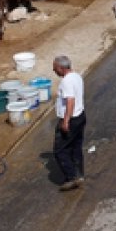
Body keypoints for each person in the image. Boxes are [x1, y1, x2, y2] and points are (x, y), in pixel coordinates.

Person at [52, 56, 85, 191]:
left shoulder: (66, 82)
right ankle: (79, 174)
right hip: (80, 116)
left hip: (71, 119)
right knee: (76, 147)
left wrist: (66, 121)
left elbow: (70, 101)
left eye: (55, 68)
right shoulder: (77, 76)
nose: (54, 70)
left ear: (61, 68)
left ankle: (71, 177)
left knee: (60, 150)